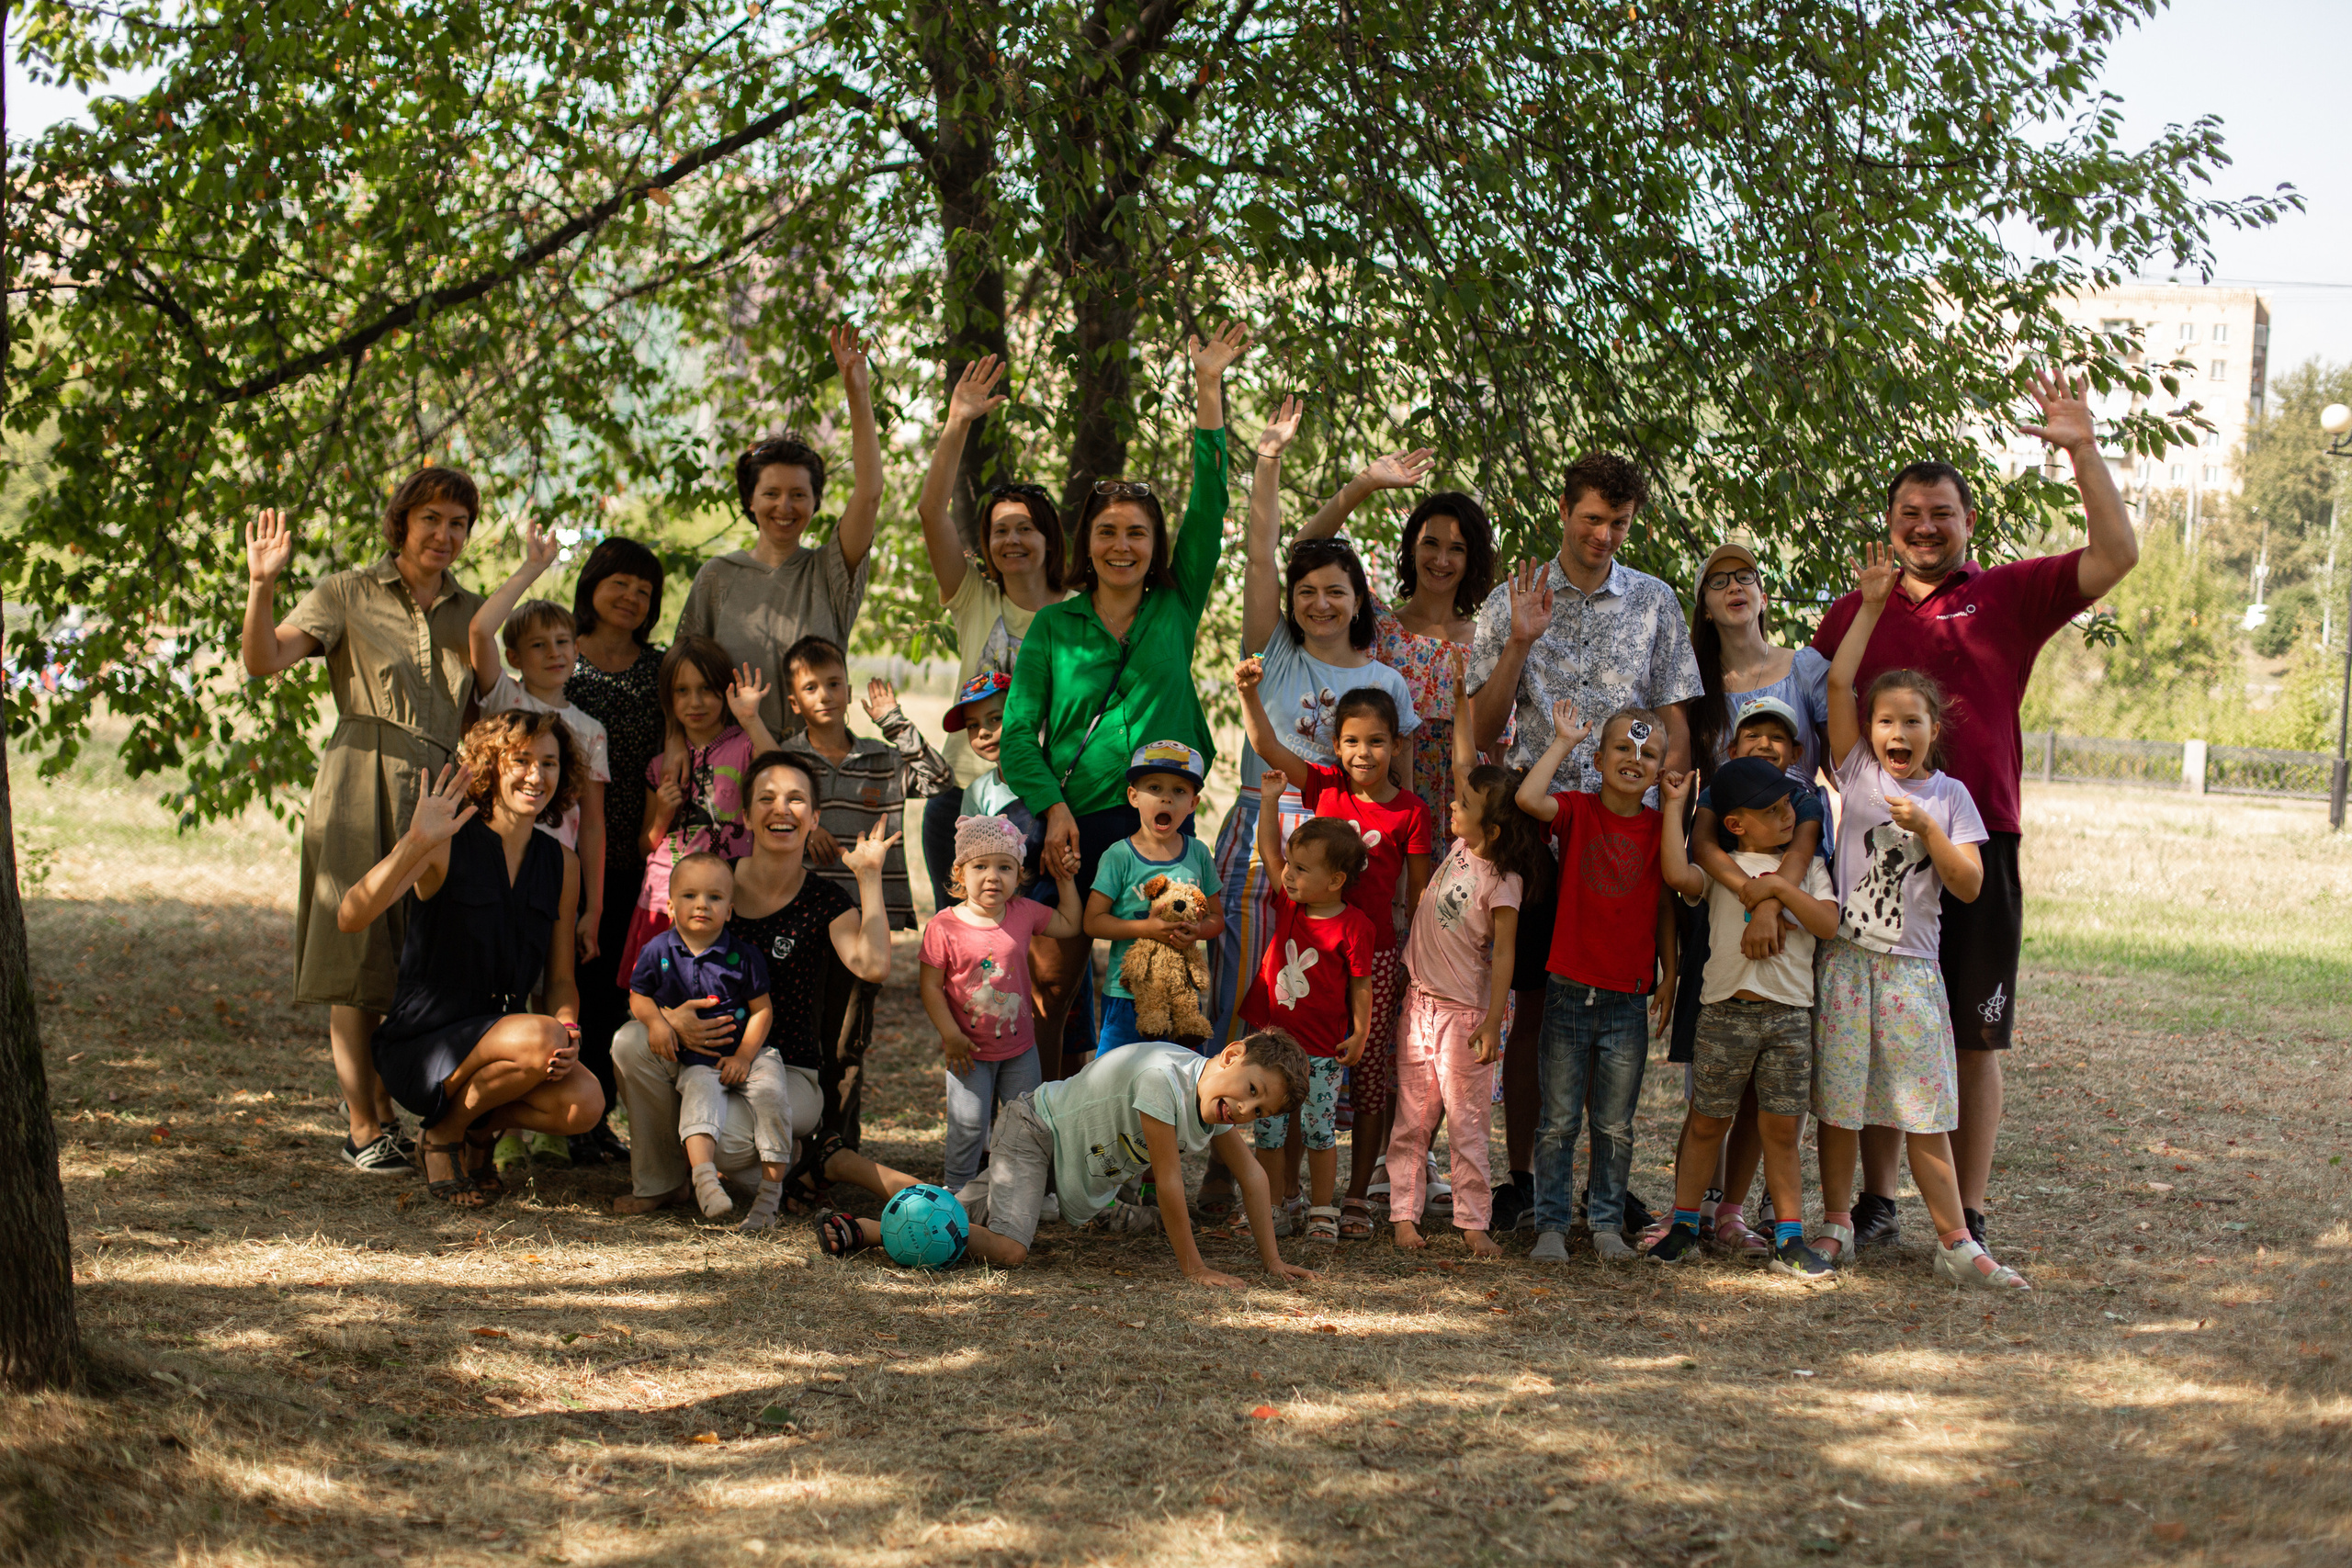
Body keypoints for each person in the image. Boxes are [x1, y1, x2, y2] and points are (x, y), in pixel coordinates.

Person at [1810, 372, 2141, 1254]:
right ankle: (1875, 1203)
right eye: (1910, 512)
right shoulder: (1855, 610)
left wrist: (2081, 450)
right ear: (1890, 525)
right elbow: (1816, 706)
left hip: (1978, 841)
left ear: (1967, 523)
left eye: (1942, 513)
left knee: (1972, 1029)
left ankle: (1972, 1209)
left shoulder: (2008, 597)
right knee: (1882, 1020)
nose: (1925, 526)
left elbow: (2117, 555)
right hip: (1878, 854)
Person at [998, 321, 1251, 1079]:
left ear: (1155, 544)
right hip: (1073, 822)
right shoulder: (1053, 625)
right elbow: (1017, 738)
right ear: (1088, 540)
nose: (1122, 545)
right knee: (1050, 977)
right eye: (1108, 531)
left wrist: (1209, 390)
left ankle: (1152, 1140)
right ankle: (1036, 1125)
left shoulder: (1176, 604)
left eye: (1137, 533)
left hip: (1159, 820)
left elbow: (1210, 504)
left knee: (1162, 986)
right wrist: (1053, 810)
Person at [1466, 452, 1703, 1235]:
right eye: (1592, 518)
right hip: (1539, 828)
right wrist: (1518, 643)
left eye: (1620, 524)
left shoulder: (1655, 601)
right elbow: (1482, 725)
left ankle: (1607, 1184)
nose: (1603, 535)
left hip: (1624, 834)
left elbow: (1675, 723)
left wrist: (1668, 811)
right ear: (1565, 508)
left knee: (1615, 1016)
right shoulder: (1515, 599)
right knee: (1537, 1007)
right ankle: (1531, 1180)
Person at [240, 472, 488, 1174]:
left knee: (416, 953)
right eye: (431, 518)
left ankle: (399, 1110)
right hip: (358, 778)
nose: (444, 534)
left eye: (459, 523)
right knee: (356, 958)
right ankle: (363, 1124)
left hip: (437, 790)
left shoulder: (471, 612)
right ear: (401, 522)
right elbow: (263, 660)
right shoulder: (346, 591)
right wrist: (263, 585)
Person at [1810, 546, 2025, 1292]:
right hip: (1846, 961)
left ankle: (1956, 1239)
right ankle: (1837, 1224)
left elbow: (1966, 885)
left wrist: (1927, 830)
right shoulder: (1858, 770)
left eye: (1912, 721)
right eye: (1884, 720)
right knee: (1839, 1103)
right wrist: (1870, 607)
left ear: (1935, 727)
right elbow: (1840, 677)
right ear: (1868, 729)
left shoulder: (1953, 798)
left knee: (1924, 1107)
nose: (1896, 732)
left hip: (1908, 973)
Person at [1205, 402, 1421, 1062]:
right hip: (1260, 821)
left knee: (1319, 991)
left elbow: (1402, 794)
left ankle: (1299, 1131)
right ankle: (1222, 1133)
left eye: (1335, 592)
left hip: (1344, 839)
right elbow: (1266, 550)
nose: (1319, 603)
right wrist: (1268, 460)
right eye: (1306, 592)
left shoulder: (1386, 681)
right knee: (1243, 980)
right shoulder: (1273, 650)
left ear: (1360, 599)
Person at [611, 754, 896, 1216]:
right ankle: (663, 1181)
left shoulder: (824, 901)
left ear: (814, 818)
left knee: (721, 1133)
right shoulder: (712, 884)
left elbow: (874, 966)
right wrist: (669, 1019)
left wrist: (868, 878)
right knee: (631, 1042)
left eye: (796, 799)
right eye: (766, 799)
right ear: (745, 816)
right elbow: (661, 964)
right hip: (703, 1059)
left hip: (786, 1073)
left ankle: (798, 1162)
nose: (780, 809)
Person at [336, 715, 603, 1206]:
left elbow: (561, 977)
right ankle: (442, 1134)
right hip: (425, 1046)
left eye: (548, 763)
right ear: (489, 767)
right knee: (540, 1034)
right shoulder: (445, 843)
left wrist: (570, 1025)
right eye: (520, 760)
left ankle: (478, 1130)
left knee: (585, 1104)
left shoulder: (562, 865)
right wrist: (416, 841)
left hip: (508, 1047)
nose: (535, 776)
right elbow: (350, 917)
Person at [812, 1033, 1319, 1291]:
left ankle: (845, 1164)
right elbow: (1167, 1182)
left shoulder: (1215, 1096)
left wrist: (1272, 1263)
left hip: (1072, 1165)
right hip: (1037, 1132)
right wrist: (1195, 1269)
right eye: (1252, 1092)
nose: (1247, 1111)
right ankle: (870, 1231)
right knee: (1009, 1249)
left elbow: (1251, 1175)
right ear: (1231, 1055)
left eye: (1260, 1111)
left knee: (950, 1207)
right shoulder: (1164, 1081)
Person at [1238, 673, 1433, 1238]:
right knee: (1297, 1075)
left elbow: (1416, 895)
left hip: (1371, 960)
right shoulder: (1324, 786)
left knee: (1367, 1081)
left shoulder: (1412, 812)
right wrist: (1251, 693)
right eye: (1350, 741)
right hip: (1308, 951)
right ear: (1335, 746)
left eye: (1375, 741)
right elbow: (1268, 747)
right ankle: (1289, 1193)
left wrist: (1404, 963)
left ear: (1396, 745)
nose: (1362, 753)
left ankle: (1354, 1197)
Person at [1650, 758, 1838, 1280]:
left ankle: (1790, 1237)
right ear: (1735, 825)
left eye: (1787, 806)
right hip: (1725, 1014)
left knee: (1781, 1129)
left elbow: (1826, 923)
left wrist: (1777, 891)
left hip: (1788, 1019)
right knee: (1709, 1122)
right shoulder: (1719, 868)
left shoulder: (1809, 870)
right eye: (1771, 810)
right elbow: (1674, 872)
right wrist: (1672, 808)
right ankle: (1685, 1226)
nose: (1786, 817)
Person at [1385, 647, 1542, 1257]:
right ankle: (1404, 1214)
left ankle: (1473, 1225)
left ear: (1492, 827)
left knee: (1468, 1126)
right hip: (1420, 1004)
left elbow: (1504, 956)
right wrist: (1457, 706)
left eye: (1463, 806)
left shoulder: (1501, 880)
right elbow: (1462, 766)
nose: (1451, 804)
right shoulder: (1461, 844)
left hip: (1466, 1016)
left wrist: (1491, 1024)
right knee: (1412, 1117)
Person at [468, 523, 612, 1174]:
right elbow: (477, 632)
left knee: (555, 997)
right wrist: (532, 569)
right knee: (502, 998)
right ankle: (495, 1126)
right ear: (517, 657)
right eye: (538, 643)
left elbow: (596, 824)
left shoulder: (588, 728)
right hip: (500, 872)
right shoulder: (505, 700)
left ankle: (547, 1120)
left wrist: (593, 909)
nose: (554, 651)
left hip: (559, 883)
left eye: (563, 641)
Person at [1512, 703, 1677, 1262]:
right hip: (1566, 990)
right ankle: (1552, 1226)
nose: (1634, 758)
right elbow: (1528, 800)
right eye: (1624, 749)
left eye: (1648, 753)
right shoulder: (1578, 810)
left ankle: (1605, 1224)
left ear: (1661, 767)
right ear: (1601, 758)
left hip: (1625, 999)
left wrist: (1669, 972)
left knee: (1614, 1125)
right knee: (1557, 1121)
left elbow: (1673, 896)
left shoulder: (1660, 829)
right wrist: (1561, 741)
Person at [914, 355, 1070, 912]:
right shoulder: (974, 599)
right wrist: (957, 421)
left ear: (1049, 539)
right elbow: (931, 513)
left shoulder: (1080, 615)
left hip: (1044, 799)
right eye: (1000, 531)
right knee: (963, 946)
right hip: (960, 795)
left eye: (1025, 528)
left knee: (1043, 950)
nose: (1013, 540)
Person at [677, 324, 884, 741]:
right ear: (749, 500)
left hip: (817, 770)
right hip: (734, 773)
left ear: (815, 502)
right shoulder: (717, 576)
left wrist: (857, 394)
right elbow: (681, 678)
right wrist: (674, 743)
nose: (784, 507)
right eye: (771, 493)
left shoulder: (830, 571)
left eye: (798, 495)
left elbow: (869, 493)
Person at [1292, 458, 1500, 832]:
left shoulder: (1487, 643)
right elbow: (1303, 550)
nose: (1440, 559)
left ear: (1472, 559)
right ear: (1411, 548)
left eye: (1456, 548)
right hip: (1380, 807)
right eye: (1430, 544)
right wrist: (1365, 484)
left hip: (1464, 812)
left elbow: (1495, 749)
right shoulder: (1378, 625)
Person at [564, 536, 668, 1166]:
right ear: (592, 584)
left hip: (637, 851)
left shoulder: (659, 670)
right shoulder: (556, 656)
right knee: (565, 981)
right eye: (619, 582)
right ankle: (554, 1111)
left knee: (610, 986)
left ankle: (595, 1119)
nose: (631, 596)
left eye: (644, 589)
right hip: (563, 844)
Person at [1236, 795, 1375, 1245]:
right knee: (1269, 1129)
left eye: (1301, 869)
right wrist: (1271, 799)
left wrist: (1360, 1033)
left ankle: (1321, 1210)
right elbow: (1270, 850)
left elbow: (1361, 985)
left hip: (1322, 1050)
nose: (1288, 874)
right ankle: (1273, 1207)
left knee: (1320, 1131)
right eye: (1290, 866)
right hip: (1273, 1046)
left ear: (1335, 880)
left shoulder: (1355, 927)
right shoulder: (1289, 905)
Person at [626, 852, 787, 1230]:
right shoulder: (658, 951)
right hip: (698, 1061)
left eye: (714, 897)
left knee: (773, 1098)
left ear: (730, 910)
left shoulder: (743, 956)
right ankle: (705, 1182)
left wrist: (746, 1056)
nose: (702, 904)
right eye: (689, 895)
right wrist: (657, 1023)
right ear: (669, 906)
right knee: (698, 1100)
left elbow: (762, 1010)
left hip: (751, 1055)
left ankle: (769, 1199)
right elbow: (638, 995)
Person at [921, 815, 1082, 1192]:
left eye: (1005, 867)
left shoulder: (1023, 913)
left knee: (1024, 1123)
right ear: (960, 872)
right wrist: (950, 1035)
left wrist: (1065, 880)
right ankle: (957, 1197)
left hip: (1020, 1051)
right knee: (969, 1127)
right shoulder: (944, 927)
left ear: (1019, 873)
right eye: (981, 866)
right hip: (967, 1051)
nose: (993, 876)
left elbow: (1070, 923)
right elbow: (930, 987)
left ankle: (1023, 1194)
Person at [616, 638, 778, 980]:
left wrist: (750, 719)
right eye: (682, 691)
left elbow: (779, 774)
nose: (695, 702)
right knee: (656, 994)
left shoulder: (745, 745)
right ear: (668, 699)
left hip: (725, 897)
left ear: (725, 691)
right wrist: (662, 813)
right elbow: (647, 844)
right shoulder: (661, 764)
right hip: (664, 897)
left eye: (706, 689)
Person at [777, 637, 953, 929]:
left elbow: (939, 781)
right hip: (802, 909)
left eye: (834, 684)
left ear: (848, 691)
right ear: (794, 703)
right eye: (811, 688)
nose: (824, 696)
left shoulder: (883, 759)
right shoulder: (786, 759)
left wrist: (895, 724)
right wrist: (805, 829)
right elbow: (767, 817)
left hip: (871, 909)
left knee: (868, 974)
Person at [1084, 742, 1226, 1057]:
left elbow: (1217, 918)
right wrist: (1148, 928)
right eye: (1154, 787)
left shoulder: (1199, 853)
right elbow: (1093, 922)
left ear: (1193, 803)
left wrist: (1199, 931)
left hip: (1182, 995)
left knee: (1179, 1080)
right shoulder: (1119, 856)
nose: (1166, 798)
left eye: (1179, 791)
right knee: (1115, 1075)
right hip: (1127, 993)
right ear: (1133, 796)